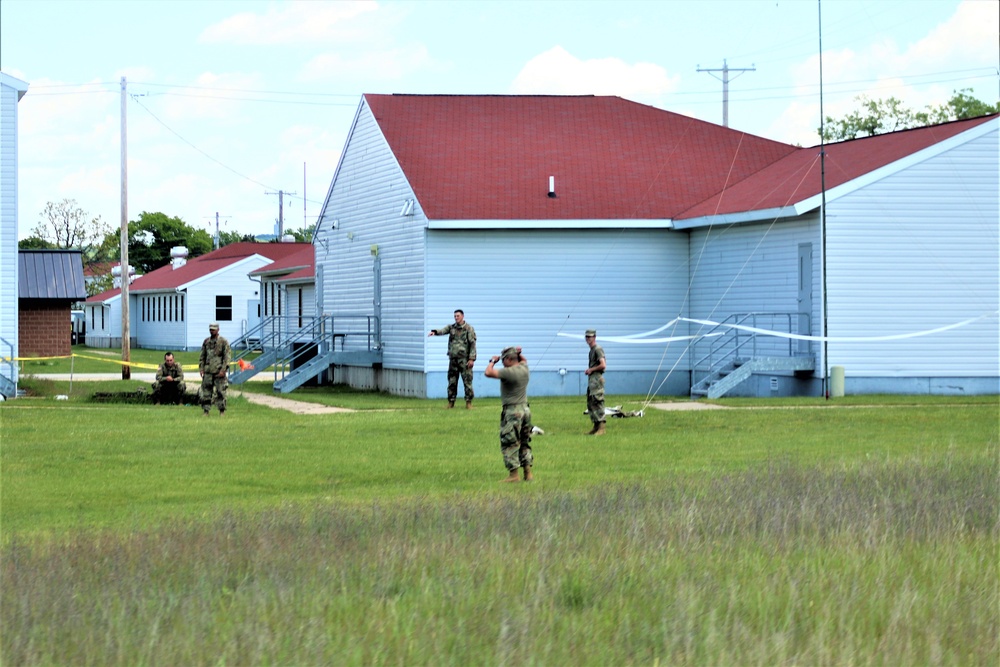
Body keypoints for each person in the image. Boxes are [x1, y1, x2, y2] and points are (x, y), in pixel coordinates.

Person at [485, 346, 534, 483]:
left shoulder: (509, 372)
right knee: (524, 442)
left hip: (513, 411)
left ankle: (514, 475)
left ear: (509, 359)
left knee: (510, 442)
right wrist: (519, 353)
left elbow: (488, 373)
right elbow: (524, 360)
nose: (502, 363)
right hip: (525, 410)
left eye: (503, 360)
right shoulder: (524, 368)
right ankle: (528, 473)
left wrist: (492, 361)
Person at [428, 309, 477, 409]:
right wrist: (435, 332)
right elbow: (443, 330)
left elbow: (472, 344)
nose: (456, 318)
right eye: (455, 316)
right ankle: (451, 402)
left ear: (463, 316)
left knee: (467, 381)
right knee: (452, 382)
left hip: (464, 360)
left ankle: (468, 402)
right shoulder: (451, 328)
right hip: (453, 360)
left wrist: (472, 359)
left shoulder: (469, 329)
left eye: (458, 316)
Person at [199, 322, 231, 416]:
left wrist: (223, 370)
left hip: (218, 371)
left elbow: (227, 357)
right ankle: (206, 411)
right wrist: (201, 368)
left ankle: (222, 411)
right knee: (206, 392)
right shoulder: (206, 342)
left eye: (213, 329)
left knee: (221, 392)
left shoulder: (223, 342)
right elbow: (202, 356)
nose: (212, 331)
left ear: (218, 330)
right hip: (208, 371)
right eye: (210, 329)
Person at [584, 329, 607, 435]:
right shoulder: (591, 350)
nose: (588, 339)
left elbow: (603, 365)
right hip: (592, 379)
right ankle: (596, 426)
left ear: (594, 337)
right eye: (587, 337)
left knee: (598, 401)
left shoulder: (598, 349)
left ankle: (602, 427)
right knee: (591, 402)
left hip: (596, 378)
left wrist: (591, 370)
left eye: (590, 336)